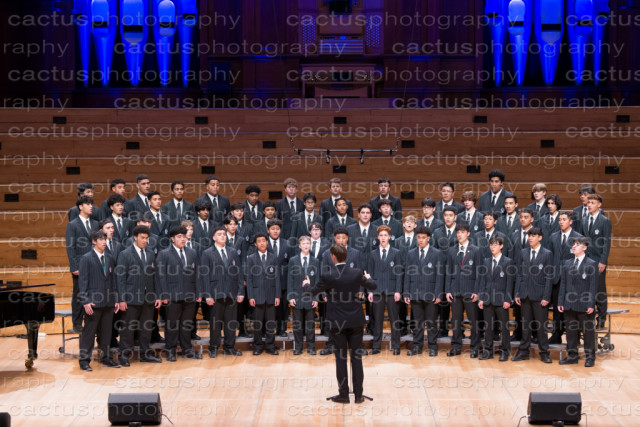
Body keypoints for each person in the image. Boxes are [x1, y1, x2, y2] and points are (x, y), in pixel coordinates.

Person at [303, 244, 377, 404]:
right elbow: (373, 285)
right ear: (346, 256)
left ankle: (343, 395)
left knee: (341, 358)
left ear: (333, 257)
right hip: (355, 321)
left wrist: (306, 284)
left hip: (337, 323)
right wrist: (369, 277)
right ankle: (359, 395)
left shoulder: (328, 275)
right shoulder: (356, 273)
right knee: (356, 358)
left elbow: (311, 292)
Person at [116, 225, 163, 366]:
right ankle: (124, 355)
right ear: (135, 238)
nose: (145, 241)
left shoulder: (150, 253)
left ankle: (145, 354)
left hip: (148, 298)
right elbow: (120, 278)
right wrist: (122, 299)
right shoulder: (125, 254)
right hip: (131, 298)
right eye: (142, 238)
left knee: (146, 328)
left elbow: (155, 276)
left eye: (146, 238)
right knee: (128, 328)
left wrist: (158, 296)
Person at [155, 226, 201, 361]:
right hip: (172, 295)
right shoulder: (164, 254)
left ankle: (187, 349)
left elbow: (198, 274)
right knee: (172, 325)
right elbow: (160, 276)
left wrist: (198, 292)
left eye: (184, 236)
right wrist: (164, 295)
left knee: (187, 324)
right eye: (179, 237)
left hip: (190, 294)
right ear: (172, 239)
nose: (182, 239)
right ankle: (170, 350)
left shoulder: (192, 252)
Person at [198, 227, 244, 358]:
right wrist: (207, 295)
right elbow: (204, 276)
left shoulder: (233, 251)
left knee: (231, 323)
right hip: (215, 293)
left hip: (231, 292)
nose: (223, 236)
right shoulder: (207, 253)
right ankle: (213, 347)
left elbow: (239, 273)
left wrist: (241, 291)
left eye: (224, 234)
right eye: (219, 234)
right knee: (215, 323)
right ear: (214, 237)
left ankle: (229, 347)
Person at [78, 230, 119, 371]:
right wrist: (85, 301)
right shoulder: (86, 258)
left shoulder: (110, 258)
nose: (104, 242)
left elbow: (113, 281)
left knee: (107, 333)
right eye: (101, 239)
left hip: (108, 302)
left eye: (105, 239)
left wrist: (116, 299)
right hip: (93, 303)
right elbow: (83, 282)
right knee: (89, 334)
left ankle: (106, 358)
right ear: (94, 241)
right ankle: (84, 361)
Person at [513, 227, 554, 364]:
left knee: (541, 327)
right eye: (529, 235)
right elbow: (519, 274)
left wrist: (546, 296)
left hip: (540, 296)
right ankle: (523, 351)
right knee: (525, 326)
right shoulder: (523, 252)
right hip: (525, 295)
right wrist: (517, 292)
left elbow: (549, 277)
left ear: (540, 238)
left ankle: (544, 352)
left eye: (533, 235)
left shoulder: (547, 254)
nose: (530, 238)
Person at [403, 226, 445, 357]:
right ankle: (417, 346)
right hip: (415, 293)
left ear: (428, 238)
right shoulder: (411, 253)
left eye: (423, 238)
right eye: (419, 237)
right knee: (417, 323)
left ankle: (433, 347)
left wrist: (438, 294)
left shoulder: (437, 253)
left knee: (431, 322)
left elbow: (440, 275)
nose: (420, 240)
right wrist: (406, 292)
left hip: (431, 293)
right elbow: (407, 274)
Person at [558, 237, 598, 367]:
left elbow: (593, 286)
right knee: (570, 332)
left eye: (577, 244)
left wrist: (591, 304)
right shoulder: (567, 263)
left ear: (584, 247)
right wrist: (561, 301)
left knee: (588, 333)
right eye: (573, 244)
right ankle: (572, 356)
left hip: (584, 305)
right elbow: (563, 284)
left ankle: (590, 357)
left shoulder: (591, 264)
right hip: (569, 304)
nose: (574, 246)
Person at [445, 224, 482, 358]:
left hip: (470, 291)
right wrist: (448, 290)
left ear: (468, 233)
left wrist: (477, 291)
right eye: (458, 232)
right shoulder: (451, 250)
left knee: (473, 321)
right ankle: (456, 346)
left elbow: (479, 273)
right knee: (456, 321)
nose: (460, 234)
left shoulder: (476, 250)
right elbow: (448, 271)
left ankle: (476, 347)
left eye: (462, 232)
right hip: (455, 291)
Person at [477, 235, 515, 361]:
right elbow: (482, 281)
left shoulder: (508, 262)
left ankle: (505, 351)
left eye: (495, 245)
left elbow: (510, 283)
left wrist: (507, 299)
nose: (492, 247)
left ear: (501, 246)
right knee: (488, 327)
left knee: (504, 328)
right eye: (491, 245)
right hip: (488, 299)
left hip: (501, 300)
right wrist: (481, 298)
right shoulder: (486, 261)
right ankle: (488, 351)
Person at [367, 225, 403, 355]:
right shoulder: (372, 254)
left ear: (389, 237)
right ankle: (376, 346)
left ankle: (396, 346)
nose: (383, 238)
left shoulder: (396, 253)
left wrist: (398, 290)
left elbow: (399, 273)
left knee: (394, 320)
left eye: (385, 235)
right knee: (377, 320)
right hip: (377, 291)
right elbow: (369, 274)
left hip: (392, 291)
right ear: (378, 237)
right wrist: (370, 291)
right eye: (381, 235)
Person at [65, 195, 99, 332]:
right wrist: (74, 266)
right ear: (80, 206)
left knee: (93, 292)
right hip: (79, 264)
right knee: (79, 294)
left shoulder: (95, 223)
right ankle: (77, 323)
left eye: (92, 204)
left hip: (94, 263)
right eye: (88, 204)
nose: (91, 206)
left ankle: (91, 321)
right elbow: (70, 247)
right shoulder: (72, 224)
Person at [548, 211, 583, 344]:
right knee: (557, 309)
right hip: (556, 278)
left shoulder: (578, 237)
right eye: (560, 220)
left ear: (570, 221)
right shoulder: (553, 236)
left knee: (572, 308)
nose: (561, 222)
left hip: (572, 279)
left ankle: (575, 337)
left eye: (564, 219)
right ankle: (556, 334)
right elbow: (550, 256)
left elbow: (581, 259)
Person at [246, 232, 281, 355]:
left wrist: (277, 295)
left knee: (271, 323)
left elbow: (277, 278)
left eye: (264, 241)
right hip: (257, 295)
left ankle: (270, 346)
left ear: (267, 242)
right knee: (257, 324)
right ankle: (258, 346)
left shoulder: (273, 257)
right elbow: (249, 279)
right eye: (259, 241)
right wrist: (250, 296)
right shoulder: (251, 258)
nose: (262, 243)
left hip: (271, 295)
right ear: (255, 244)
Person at [580, 194, 611, 330]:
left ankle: (602, 319)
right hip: (585, 260)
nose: (589, 205)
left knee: (599, 290)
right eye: (588, 203)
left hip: (598, 260)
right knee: (586, 289)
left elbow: (606, 243)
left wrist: (603, 261)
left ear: (599, 204)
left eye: (592, 203)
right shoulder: (584, 220)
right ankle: (587, 319)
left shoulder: (605, 221)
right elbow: (581, 240)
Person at [287, 236, 320, 355]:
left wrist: (316, 298)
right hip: (297, 296)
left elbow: (317, 281)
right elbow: (290, 279)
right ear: (299, 246)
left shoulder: (315, 261)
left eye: (308, 243)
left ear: (310, 245)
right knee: (297, 324)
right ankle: (298, 347)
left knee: (310, 324)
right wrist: (291, 296)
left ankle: (311, 347)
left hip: (310, 297)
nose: (306, 245)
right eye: (303, 243)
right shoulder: (293, 260)